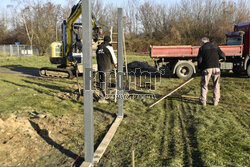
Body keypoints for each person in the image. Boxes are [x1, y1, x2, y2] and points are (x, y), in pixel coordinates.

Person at [197, 37, 226, 106]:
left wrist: (200, 69)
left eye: (201, 43)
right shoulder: (216, 47)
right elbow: (223, 55)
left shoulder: (201, 49)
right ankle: (216, 101)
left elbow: (199, 60)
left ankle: (203, 101)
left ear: (203, 42)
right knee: (216, 85)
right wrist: (222, 59)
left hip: (207, 69)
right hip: (217, 68)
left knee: (204, 85)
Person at [96, 36, 117, 103]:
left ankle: (102, 96)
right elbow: (113, 56)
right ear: (109, 41)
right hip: (106, 67)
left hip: (100, 67)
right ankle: (102, 98)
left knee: (102, 82)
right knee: (105, 82)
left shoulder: (99, 48)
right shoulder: (108, 47)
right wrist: (116, 64)